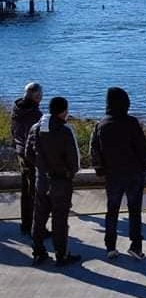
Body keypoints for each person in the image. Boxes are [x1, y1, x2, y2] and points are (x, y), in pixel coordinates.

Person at [90, 87, 146, 260]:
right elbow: (142, 147)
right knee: (134, 211)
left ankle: (110, 246)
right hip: (134, 173)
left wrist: (99, 169)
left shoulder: (101, 124)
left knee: (112, 210)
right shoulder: (131, 122)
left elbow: (95, 149)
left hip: (112, 174)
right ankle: (136, 247)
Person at [26, 97, 81, 266]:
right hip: (61, 182)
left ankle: (38, 252)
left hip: (41, 180)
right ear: (63, 111)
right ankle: (61, 254)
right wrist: (69, 173)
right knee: (59, 219)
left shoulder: (35, 129)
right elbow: (75, 161)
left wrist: (41, 168)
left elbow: (29, 153)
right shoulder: (65, 131)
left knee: (39, 217)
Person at [11, 82, 44, 236]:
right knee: (36, 192)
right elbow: (36, 138)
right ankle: (36, 228)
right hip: (30, 155)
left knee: (26, 190)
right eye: (41, 94)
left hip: (20, 152)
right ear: (36, 96)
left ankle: (26, 224)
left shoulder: (16, 109)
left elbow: (14, 130)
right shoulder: (35, 115)